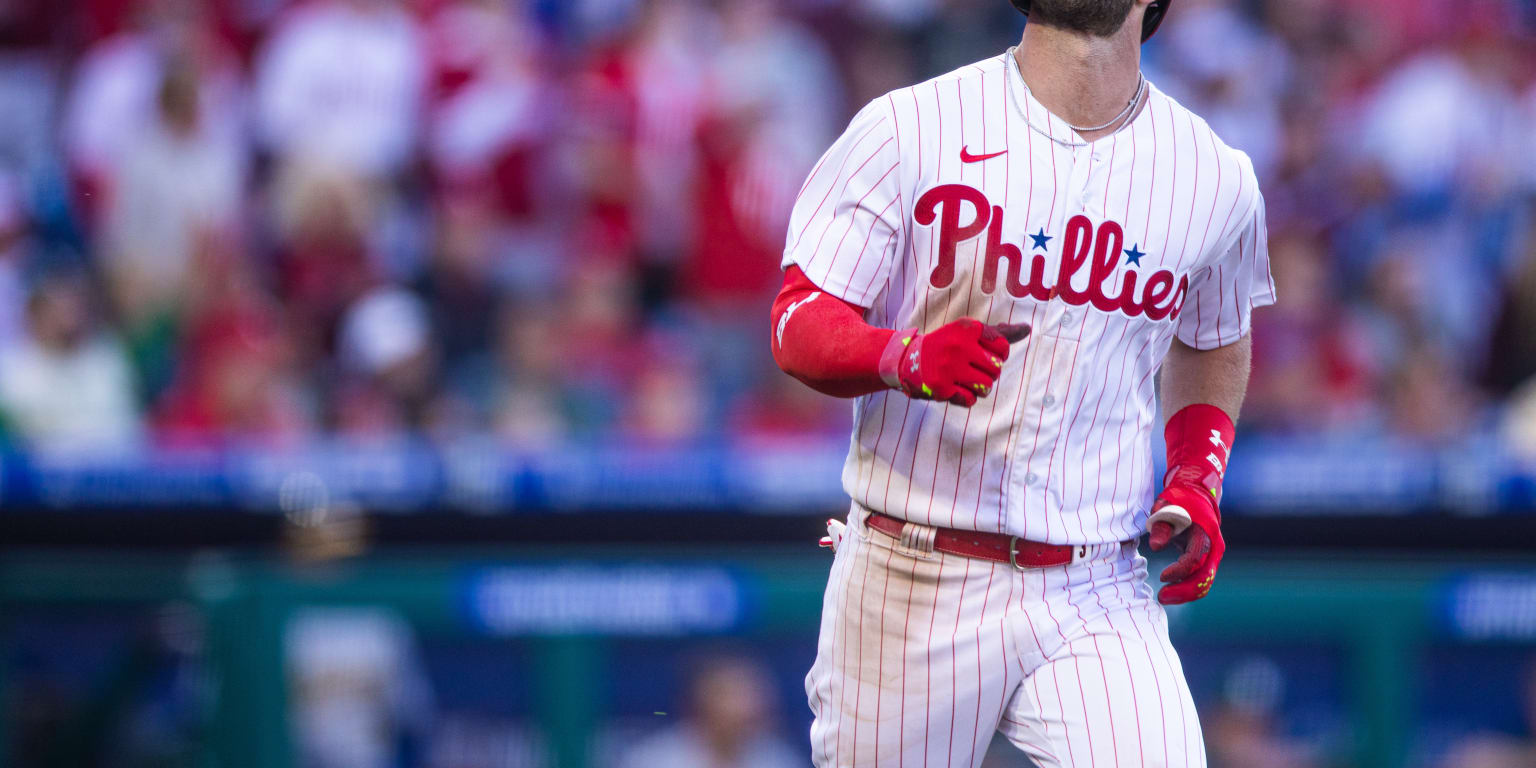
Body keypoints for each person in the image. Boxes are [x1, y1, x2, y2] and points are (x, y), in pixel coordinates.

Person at [768, 0, 1273, 764]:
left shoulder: (1213, 175)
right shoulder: (909, 126)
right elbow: (798, 319)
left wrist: (1199, 471)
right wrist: (900, 356)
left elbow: (1214, 340)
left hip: (1095, 580)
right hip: (913, 568)